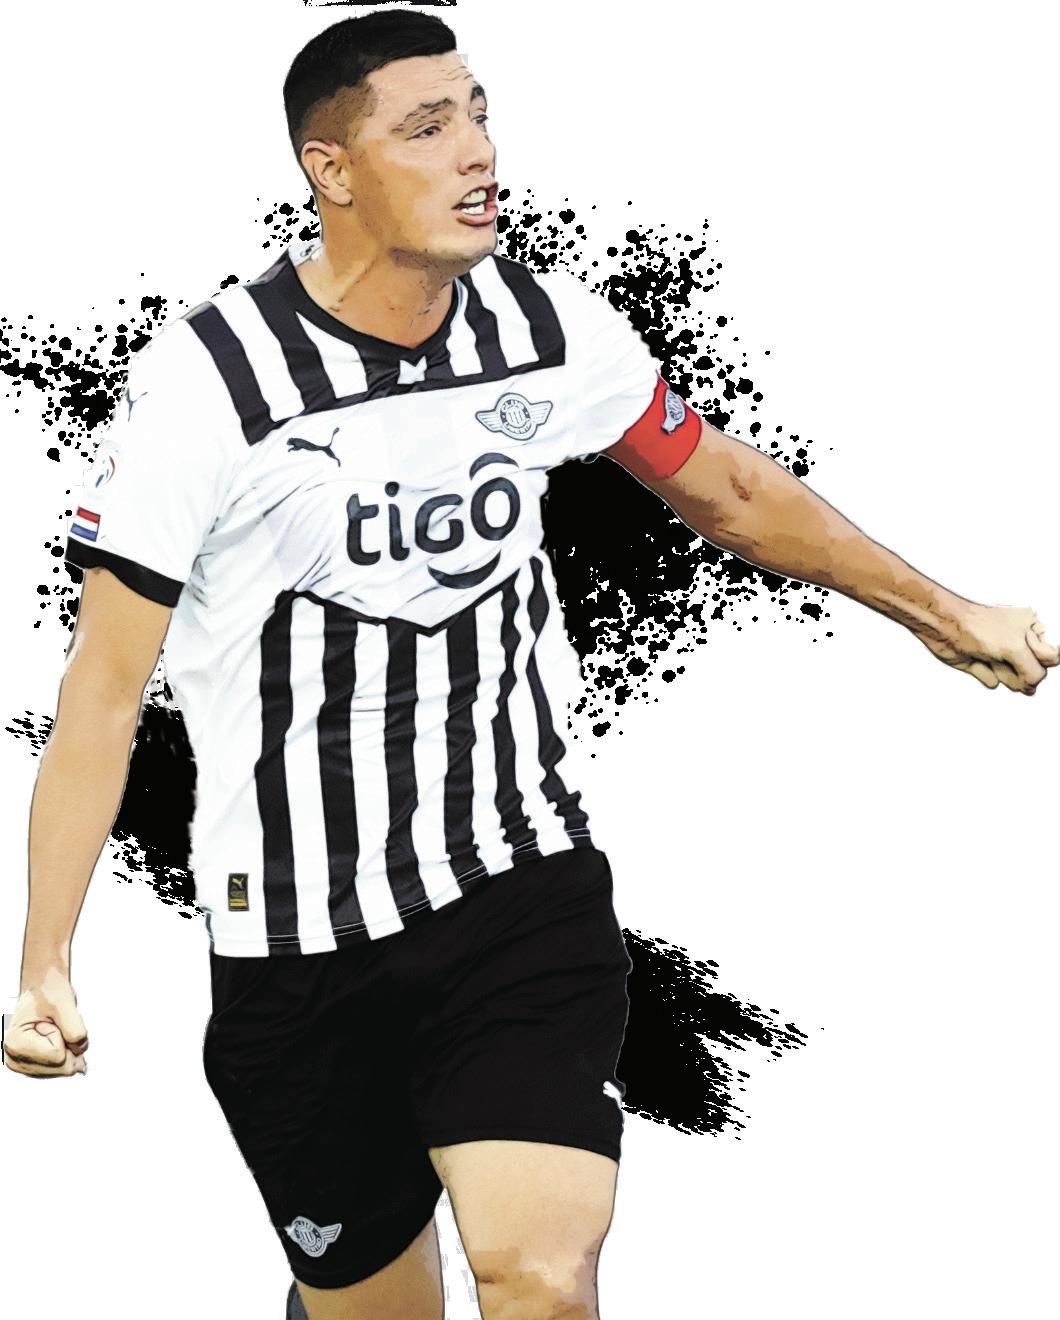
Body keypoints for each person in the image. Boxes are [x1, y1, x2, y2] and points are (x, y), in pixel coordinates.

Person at [4, 10, 1056, 1320]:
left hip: (515, 887)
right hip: (292, 942)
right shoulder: (209, 384)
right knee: (377, 1306)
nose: (478, 152)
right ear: (332, 171)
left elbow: (727, 488)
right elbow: (104, 694)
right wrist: (45, 959)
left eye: (480, 115)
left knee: (540, 1279)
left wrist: (944, 614)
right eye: (427, 128)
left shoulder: (545, 327)